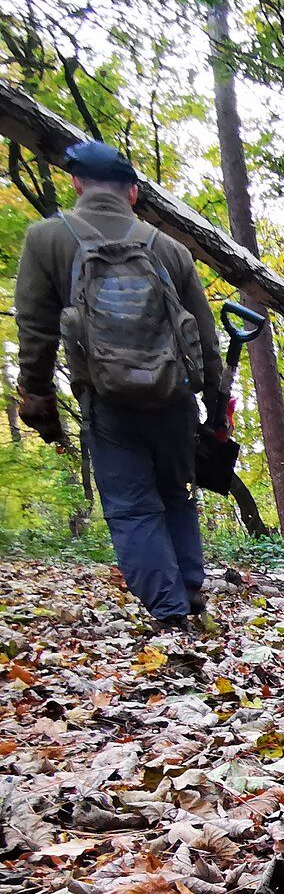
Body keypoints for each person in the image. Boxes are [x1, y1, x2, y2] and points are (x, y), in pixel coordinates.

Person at [15, 140, 225, 632]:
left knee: (131, 506)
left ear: (76, 184)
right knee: (176, 492)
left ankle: (169, 612)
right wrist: (215, 403)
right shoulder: (168, 247)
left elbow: (36, 329)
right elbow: (204, 332)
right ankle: (189, 590)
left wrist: (37, 393)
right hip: (174, 400)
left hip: (107, 400)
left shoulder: (48, 239)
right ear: (132, 193)